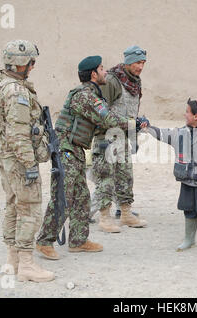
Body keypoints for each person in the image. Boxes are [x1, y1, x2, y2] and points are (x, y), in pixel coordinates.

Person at [36, 56, 132, 259]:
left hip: (75, 151)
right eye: (102, 68)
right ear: (93, 74)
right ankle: (44, 241)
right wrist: (134, 123)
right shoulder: (84, 96)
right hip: (66, 151)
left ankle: (78, 240)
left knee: (81, 197)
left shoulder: (91, 95)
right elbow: (107, 118)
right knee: (63, 197)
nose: (105, 72)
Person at [0, 40, 54, 282]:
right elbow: (18, 132)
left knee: (13, 205)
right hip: (19, 159)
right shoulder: (16, 92)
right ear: (23, 63)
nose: (33, 67)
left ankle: (12, 261)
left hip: (5, 158)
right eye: (31, 62)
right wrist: (29, 164)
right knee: (29, 208)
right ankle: (26, 265)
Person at [142, 98, 197, 253]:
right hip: (188, 181)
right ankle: (189, 239)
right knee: (189, 210)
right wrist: (148, 128)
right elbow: (163, 134)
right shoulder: (180, 133)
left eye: (188, 111)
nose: (185, 114)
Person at [92, 45, 148, 233]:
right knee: (105, 178)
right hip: (107, 136)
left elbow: (130, 110)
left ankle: (125, 213)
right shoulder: (112, 81)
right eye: (137, 63)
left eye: (143, 63)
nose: (140, 67)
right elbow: (102, 110)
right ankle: (105, 217)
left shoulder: (134, 82)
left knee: (125, 176)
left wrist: (135, 132)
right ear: (128, 62)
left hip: (123, 136)